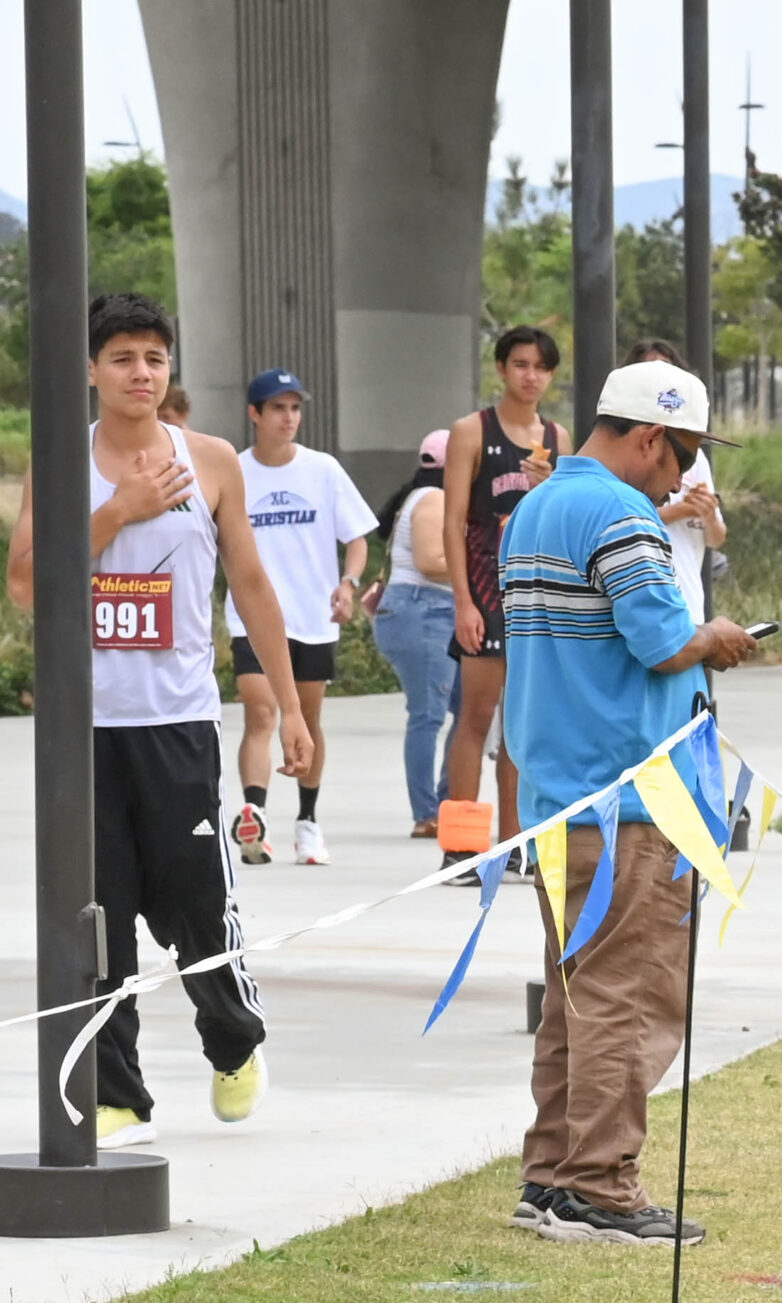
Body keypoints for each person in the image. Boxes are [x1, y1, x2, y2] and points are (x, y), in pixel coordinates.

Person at [3, 292, 310, 1147]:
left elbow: (252, 586)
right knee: (100, 913)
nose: (140, 373)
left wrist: (289, 706)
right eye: (123, 358)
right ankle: (118, 1095)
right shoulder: (62, 463)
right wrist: (117, 512)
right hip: (86, 731)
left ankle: (235, 1043)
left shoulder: (210, 461)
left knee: (194, 901)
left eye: (154, 358)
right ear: (91, 370)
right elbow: (24, 585)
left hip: (176, 724)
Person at [503, 361, 760, 1245]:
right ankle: (600, 1186)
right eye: (685, 454)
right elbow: (662, 642)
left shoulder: (537, 507)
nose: (684, 475)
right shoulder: (623, 514)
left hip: (557, 795)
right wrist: (716, 637)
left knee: (573, 993)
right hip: (633, 799)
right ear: (651, 438)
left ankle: (550, 1175)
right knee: (629, 994)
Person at [224, 368, 373, 868]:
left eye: (294, 408)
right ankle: (256, 819)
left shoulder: (322, 469)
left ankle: (308, 821)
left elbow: (357, 538)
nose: (288, 418)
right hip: (251, 617)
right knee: (262, 713)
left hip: (312, 618)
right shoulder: (234, 471)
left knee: (307, 720)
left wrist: (347, 583)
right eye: (277, 408)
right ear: (254, 414)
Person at [441, 325, 565, 868]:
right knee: (475, 717)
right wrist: (463, 601)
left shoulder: (557, 438)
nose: (530, 376)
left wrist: (547, 485)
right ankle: (462, 847)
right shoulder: (472, 431)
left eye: (540, 367)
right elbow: (452, 522)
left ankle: (517, 845)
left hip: (534, 599)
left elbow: (563, 519)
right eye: (520, 364)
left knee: (523, 725)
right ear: (501, 368)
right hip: (486, 593)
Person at [360, 429, 459, 838]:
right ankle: (428, 813)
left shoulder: (421, 496)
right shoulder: (434, 499)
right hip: (423, 610)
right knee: (428, 714)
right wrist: (483, 567)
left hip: (430, 610)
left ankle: (451, 801)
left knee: (470, 709)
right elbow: (431, 561)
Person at [626, 338, 727, 623]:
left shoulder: (697, 457)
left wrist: (708, 514)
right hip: (648, 611)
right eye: (649, 372)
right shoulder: (626, 449)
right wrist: (682, 510)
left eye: (668, 372)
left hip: (690, 607)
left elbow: (716, 538)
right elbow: (623, 520)